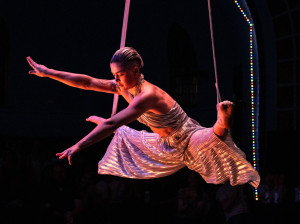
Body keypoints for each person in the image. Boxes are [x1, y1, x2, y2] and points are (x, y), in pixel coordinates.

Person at [26, 47, 260, 188]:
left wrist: (79, 145)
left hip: (188, 136)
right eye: (113, 75)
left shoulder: (147, 95)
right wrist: (48, 73)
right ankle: (221, 121)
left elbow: (113, 121)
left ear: (136, 70)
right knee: (128, 136)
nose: (116, 80)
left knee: (212, 138)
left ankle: (224, 118)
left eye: (120, 74)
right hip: (165, 144)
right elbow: (87, 82)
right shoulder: (125, 87)